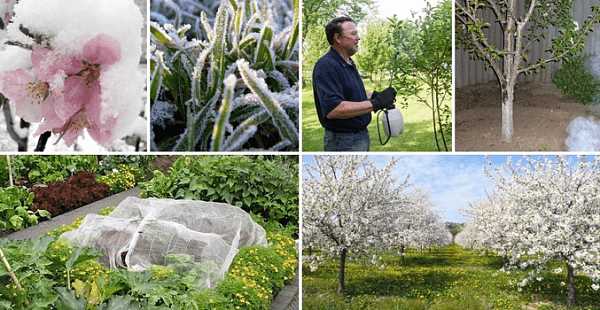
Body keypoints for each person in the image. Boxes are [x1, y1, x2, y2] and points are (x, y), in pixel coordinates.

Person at [312, 16, 397, 151]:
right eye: (353, 34)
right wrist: (376, 103)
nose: (358, 38)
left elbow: (352, 92)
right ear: (338, 38)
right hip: (343, 141)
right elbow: (334, 109)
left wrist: (376, 95)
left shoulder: (348, 62)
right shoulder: (327, 65)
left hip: (360, 135)